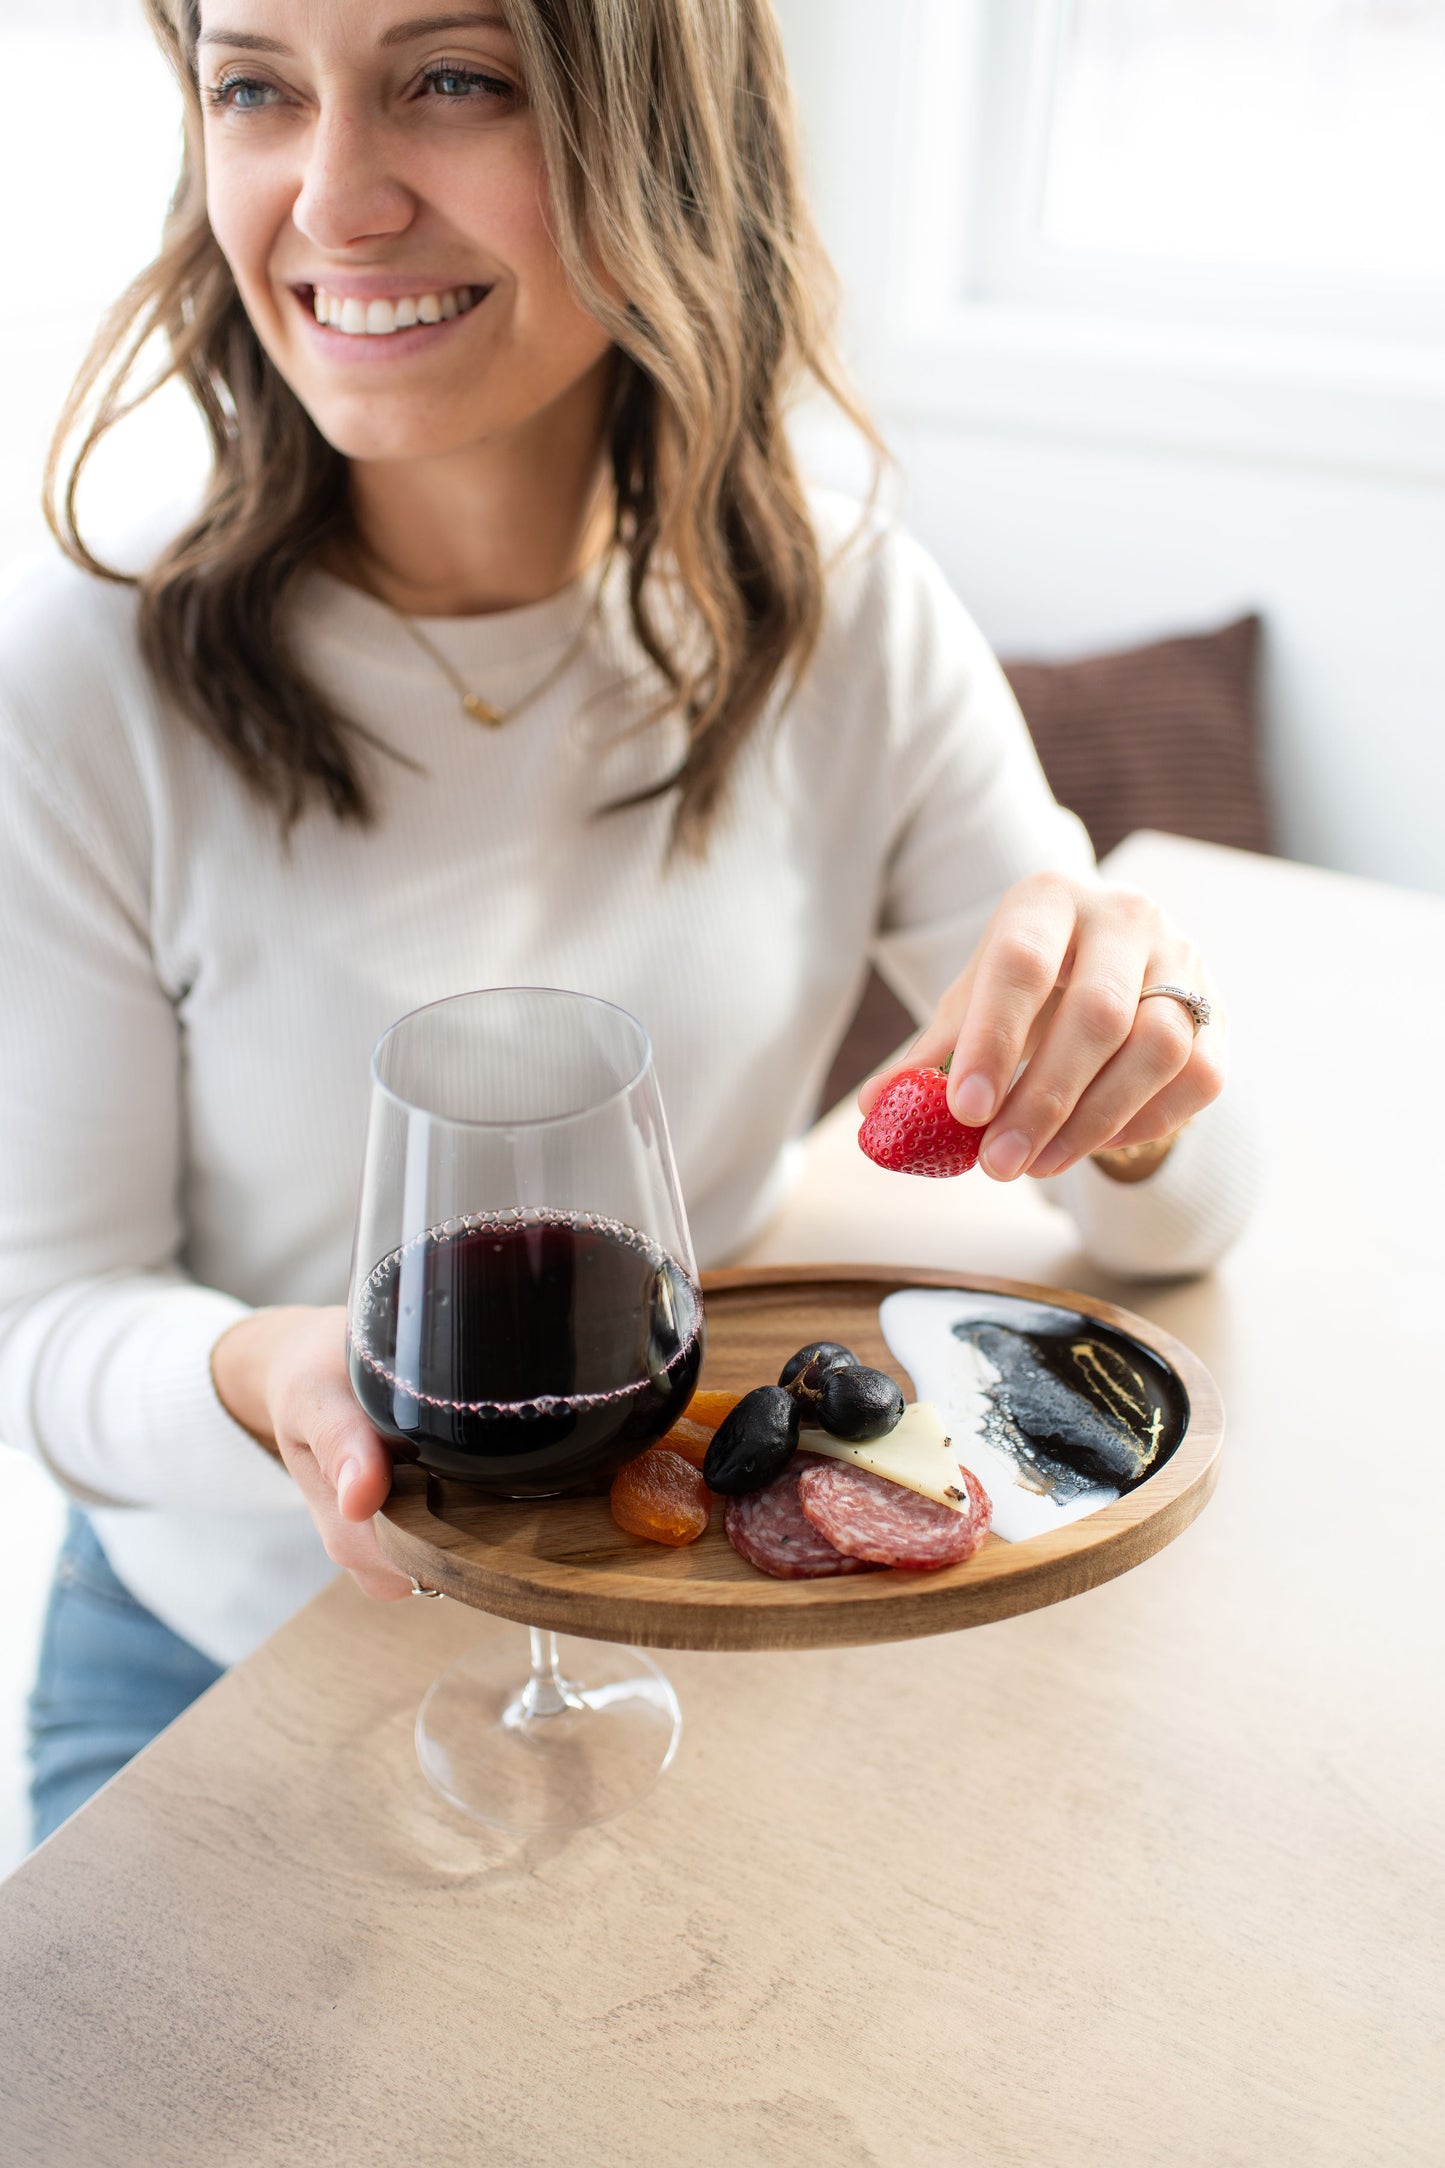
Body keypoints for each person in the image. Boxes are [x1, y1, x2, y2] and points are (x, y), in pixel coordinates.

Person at [0, 0, 1251, 1845]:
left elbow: (1188, 1228)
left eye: (452, 80)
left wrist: (1130, 1062)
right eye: (255, 88)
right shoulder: (86, 686)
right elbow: (47, 1324)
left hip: (674, 1619)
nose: (332, 201)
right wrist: (274, 1374)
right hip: (220, 1662)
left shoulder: (846, 623)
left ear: (658, 137)